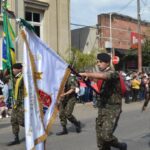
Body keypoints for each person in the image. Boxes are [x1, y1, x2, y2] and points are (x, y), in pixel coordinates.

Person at [80, 53, 127, 150]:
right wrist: (87, 78)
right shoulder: (102, 75)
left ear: (107, 63)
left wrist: (87, 74)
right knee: (101, 141)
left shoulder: (113, 74)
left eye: (100, 62)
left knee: (106, 136)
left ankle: (120, 145)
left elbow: (104, 76)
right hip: (102, 108)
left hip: (113, 110)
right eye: (98, 62)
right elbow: (98, 80)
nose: (98, 64)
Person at [8, 63, 24, 146]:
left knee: (22, 121)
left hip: (22, 103)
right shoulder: (14, 77)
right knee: (13, 120)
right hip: (15, 103)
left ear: (19, 69)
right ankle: (16, 138)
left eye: (14, 69)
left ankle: (36, 130)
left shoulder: (23, 78)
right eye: (13, 69)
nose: (13, 70)